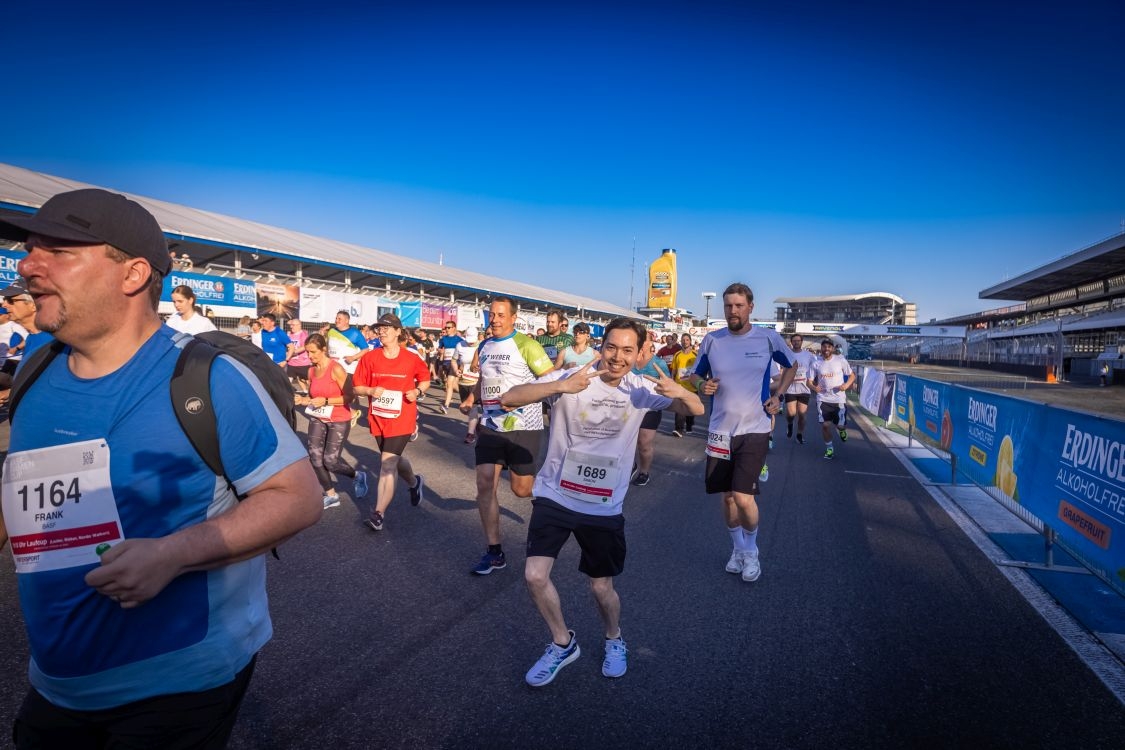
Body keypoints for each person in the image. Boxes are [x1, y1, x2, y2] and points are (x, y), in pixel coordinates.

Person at [0, 187, 322, 747]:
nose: (28, 265)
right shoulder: (35, 367)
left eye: (59, 251)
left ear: (133, 274)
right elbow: (27, 486)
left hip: (176, 685)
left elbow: (297, 497)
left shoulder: (210, 379)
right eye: (29, 248)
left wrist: (172, 555)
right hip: (56, 680)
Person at [501, 319, 704, 686]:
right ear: (601, 346)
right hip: (556, 495)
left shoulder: (641, 389)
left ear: (639, 354)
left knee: (601, 588)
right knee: (534, 574)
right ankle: (562, 643)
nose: (617, 357)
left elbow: (697, 410)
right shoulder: (573, 377)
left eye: (627, 350)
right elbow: (509, 397)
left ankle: (614, 638)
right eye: (611, 347)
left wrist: (682, 392)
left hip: (602, 505)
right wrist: (560, 386)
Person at [692, 283, 795, 583]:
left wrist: (779, 396)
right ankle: (738, 549)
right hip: (719, 432)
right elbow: (696, 375)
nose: (733, 311)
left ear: (751, 307)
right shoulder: (712, 340)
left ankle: (751, 551)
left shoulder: (768, 338)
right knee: (727, 498)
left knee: (742, 496)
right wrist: (701, 385)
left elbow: (791, 366)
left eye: (738, 305)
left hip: (755, 429)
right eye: (728, 305)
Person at [458, 297, 554, 575]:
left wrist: (521, 398)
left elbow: (550, 381)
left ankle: (550, 495)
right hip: (491, 425)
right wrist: (472, 398)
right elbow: (485, 379)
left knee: (521, 490)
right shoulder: (485, 346)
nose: (495, 320)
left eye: (501, 315)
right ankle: (494, 552)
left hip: (524, 425)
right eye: (492, 315)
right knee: (484, 483)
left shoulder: (527, 345)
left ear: (514, 318)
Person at [352, 313, 429, 532]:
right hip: (378, 417)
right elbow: (356, 387)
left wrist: (417, 391)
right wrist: (370, 391)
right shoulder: (370, 358)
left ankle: (378, 514)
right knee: (394, 459)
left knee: (386, 463)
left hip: (402, 417)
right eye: (379, 328)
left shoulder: (411, 358)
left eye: (386, 328)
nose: (382, 331)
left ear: (398, 331)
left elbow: (425, 379)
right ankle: (414, 482)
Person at [295, 333, 368, 509]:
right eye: (307, 352)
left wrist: (326, 401)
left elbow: (350, 396)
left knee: (330, 461)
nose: (310, 356)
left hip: (338, 418)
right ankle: (331, 495)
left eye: (313, 352)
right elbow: (313, 397)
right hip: (318, 417)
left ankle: (357, 476)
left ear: (324, 350)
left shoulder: (336, 369)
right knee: (314, 457)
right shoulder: (311, 370)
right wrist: (303, 400)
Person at [630, 329, 671, 486]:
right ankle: (631, 465)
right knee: (627, 441)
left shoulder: (658, 363)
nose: (641, 342)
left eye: (644, 340)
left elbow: (667, 384)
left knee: (643, 443)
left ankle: (644, 472)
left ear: (650, 343)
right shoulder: (630, 360)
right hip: (630, 407)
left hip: (650, 409)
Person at [808, 337, 856, 460]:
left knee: (840, 426)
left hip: (839, 399)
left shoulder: (840, 360)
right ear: (821, 348)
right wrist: (814, 387)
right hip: (823, 399)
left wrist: (846, 385)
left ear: (833, 348)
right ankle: (829, 448)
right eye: (824, 346)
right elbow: (809, 381)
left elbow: (852, 375)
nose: (826, 349)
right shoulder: (816, 363)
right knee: (825, 425)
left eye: (829, 347)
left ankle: (842, 430)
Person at [784, 334, 817, 444]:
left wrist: (815, 382)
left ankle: (799, 434)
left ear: (802, 342)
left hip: (804, 389)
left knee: (802, 414)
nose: (796, 342)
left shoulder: (809, 355)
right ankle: (790, 424)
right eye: (794, 340)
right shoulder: (787, 354)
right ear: (791, 342)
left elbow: (816, 369)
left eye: (798, 340)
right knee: (791, 413)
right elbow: (782, 370)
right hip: (790, 388)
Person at [670, 333, 698, 437]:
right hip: (680, 386)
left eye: (687, 340)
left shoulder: (695, 354)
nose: (685, 342)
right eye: (683, 340)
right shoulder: (677, 354)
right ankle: (678, 429)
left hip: (692, 386)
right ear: (680, 341)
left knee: (691, 409)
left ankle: (689, 425)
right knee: (680, 408)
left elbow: (700, 369)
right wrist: (672, 381)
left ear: (690, 341)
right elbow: (674, 369)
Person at [438, 321, 467, 413]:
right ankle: (469, 395)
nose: (447, 329)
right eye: (446, 327)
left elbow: (463, 353)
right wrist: (440, 351)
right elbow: (440, 349)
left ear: (454, 328)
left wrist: (462, 366)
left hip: (455, 363)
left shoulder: (460, 340)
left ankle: (446, 405)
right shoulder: (443, 339)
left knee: (449, 383)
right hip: (446, 363)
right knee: (453, 386)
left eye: (449, 327)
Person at [285, 317, 312, 394]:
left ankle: (311, 392)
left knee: (304, 379)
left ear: (299, 325)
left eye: (293, 325)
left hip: (302, 363)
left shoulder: (303, 335)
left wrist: (293, 352)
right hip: (291, 363)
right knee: (289, 379)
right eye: (291, 325)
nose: (291, 327)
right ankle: (288, 393)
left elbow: (304, 347)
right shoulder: (290, 335)